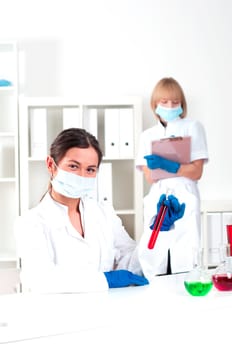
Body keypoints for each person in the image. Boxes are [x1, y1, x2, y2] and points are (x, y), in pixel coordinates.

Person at [15, 127, 184, 293]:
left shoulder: (103, 213)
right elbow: (41, 279)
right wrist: (106, 280)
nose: (82, 175)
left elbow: (133, 265)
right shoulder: (31, 222)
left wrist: (158, 230)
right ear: (51, 165)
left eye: (90, 169)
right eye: (73, 166)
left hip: (104, 312)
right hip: (58, 317)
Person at [136, 77, 208, 275]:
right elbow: (150, 177)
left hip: (185, 193)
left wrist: (167, 165)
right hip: (158, 194)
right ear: (155, 104)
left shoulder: (193, 127)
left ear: (182, 104)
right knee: (156, 248)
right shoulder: (147, 136)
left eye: (175, 102)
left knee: (185, 250)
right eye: (164, 102)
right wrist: (174, 167)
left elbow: (196, 171)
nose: (170, 106)